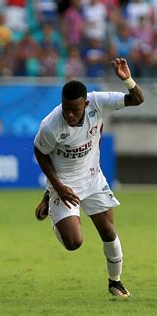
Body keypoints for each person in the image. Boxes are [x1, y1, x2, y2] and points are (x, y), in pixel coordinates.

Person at [33, 58, 144, 298]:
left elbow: (137, 99)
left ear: (86, 103)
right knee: (74, 243)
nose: (69, 114)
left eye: (74, 109)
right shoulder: (51, 125)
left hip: (93, 179)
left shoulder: (98, 102)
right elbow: (40, 153)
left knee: (109, 232)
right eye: (65, 108)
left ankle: (115, 282)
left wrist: (127, 79)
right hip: (64, 185)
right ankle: (52, 204)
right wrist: (58, 187)